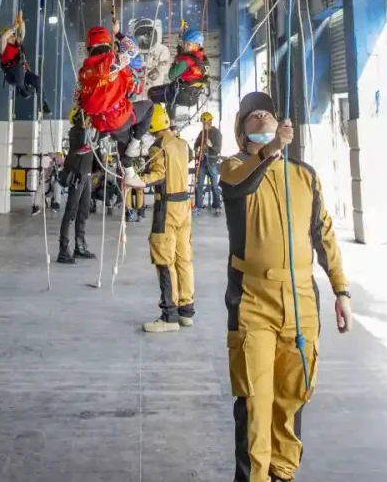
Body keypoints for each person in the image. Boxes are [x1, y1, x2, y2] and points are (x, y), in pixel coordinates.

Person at [221, 92, 352, 482]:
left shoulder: (304, 175)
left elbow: (323, 234)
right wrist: (269, 152)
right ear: (242, 131)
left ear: (280, 124)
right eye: (253, 115)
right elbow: (238, 187)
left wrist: (341, 290)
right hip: (252, 301)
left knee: (292, 396)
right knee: (256, 400)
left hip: (300, 301)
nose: (262, 117)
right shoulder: (234, 168)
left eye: (268, 113)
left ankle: (282, 473)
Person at [128, 103, 195, 333]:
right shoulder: (182, 143)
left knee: (164, 259)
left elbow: (159, 175)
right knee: (183, 257)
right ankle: (186, 311)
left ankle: (169, 316)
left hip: (166, 207)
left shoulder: (158, 147)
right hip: (184, 206)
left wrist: (137, 180)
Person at [75, 24, 154, 183]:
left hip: (102, 123)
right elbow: (133, 50)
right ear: (108, 44)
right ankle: (137, 144)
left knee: (123, 139)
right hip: (118, 116)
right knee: (148, 107)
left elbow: (79, 99)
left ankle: (130, 174)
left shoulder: (84, 72)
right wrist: (118, 33)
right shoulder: (112, 63)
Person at [57, 107, 96, 263]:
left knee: (83, 212)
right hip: (77, 176)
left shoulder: (89, 132)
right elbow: (81, 146)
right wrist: (90, 132)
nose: (89, 121)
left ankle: (80, 246)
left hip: (86, 175)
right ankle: (63, 249)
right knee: (70, 212)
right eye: (87, 118)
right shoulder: (76, 132)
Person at [0, 13, 52, 108]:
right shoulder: (2, 47)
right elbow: (3, 38)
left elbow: (22, 34)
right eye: (11, 36)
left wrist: (21, 21)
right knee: (19, 68)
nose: (13, 37)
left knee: (37, 80)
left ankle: (43, 102)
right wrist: (14, 28)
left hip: (23, 72)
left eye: (13, 35)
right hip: (12, 74)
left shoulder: (17, 45)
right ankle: (23, 89)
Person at [194, 111, 223, 215]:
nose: (203, 125)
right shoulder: (202, 133)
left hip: (212, 162)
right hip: (202, 163)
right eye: (203, 123)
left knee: (214, 186)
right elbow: (196, 144)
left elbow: (218, 149)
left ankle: (217, 206)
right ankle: (198, 206)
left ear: (210, 122)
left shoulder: (217, 133)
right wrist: (197, 148)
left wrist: (211, 146)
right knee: (199, 185)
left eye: (205, 123)